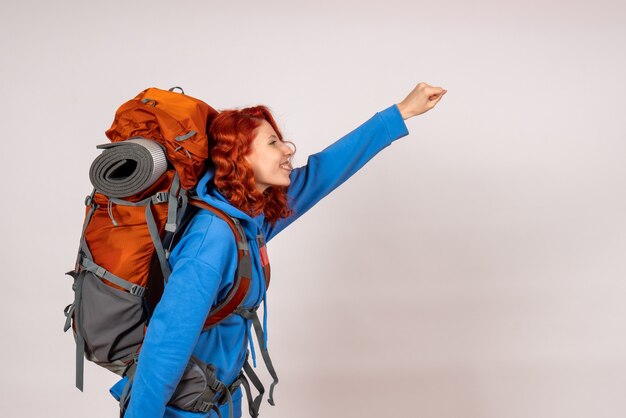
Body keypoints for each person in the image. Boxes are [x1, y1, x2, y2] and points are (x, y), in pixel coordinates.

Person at [110, 82, 447, 418]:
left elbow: (322, 173)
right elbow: (164, 346)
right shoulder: (211, 240)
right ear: (239, 157)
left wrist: (400, 113)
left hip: (218, 406)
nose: (288, 149)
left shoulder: (246, 221)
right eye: (272, 142)